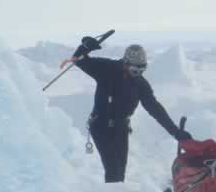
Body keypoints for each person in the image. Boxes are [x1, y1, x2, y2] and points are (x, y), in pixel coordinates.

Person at [60, 37, 192, 183]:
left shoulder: (141, 84)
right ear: (125, 63)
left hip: (121, 128)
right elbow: (78, 60)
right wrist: (85, 47)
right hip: (100, 126)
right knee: (113, 170)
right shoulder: (107, 69)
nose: (138, 73)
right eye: (135, 69)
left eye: (142, 69)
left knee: (120, 171)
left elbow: (155, 110)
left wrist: (175, 132)